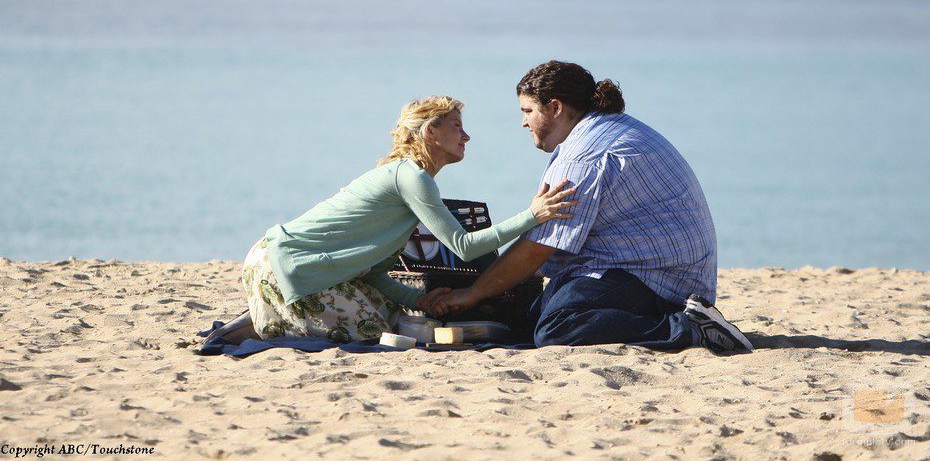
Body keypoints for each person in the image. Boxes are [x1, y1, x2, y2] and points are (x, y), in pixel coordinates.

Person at [428, 62, 753, 354]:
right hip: (648, 269)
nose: (523, 124)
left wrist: (472, 294)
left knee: (558, 327)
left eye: (527, 111)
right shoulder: (599, 132)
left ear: (554, 107)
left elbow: (538, 247)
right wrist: (491, 286)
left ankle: (690, 329)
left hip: (660, 282)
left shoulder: (584, 155)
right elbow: (549, 247)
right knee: (525, 320)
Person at [213, 95, 577, 344]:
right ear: (430, 132)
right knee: (378, 331)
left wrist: (415, 301)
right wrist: (532, 215)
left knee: (392, 311)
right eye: (456, 126)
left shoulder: (408, 176)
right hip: (286, 265)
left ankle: (260, 320)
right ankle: (264, 324)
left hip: (277, 258)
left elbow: (371, 271)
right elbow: (464, 247)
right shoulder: (413, 177)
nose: (466, 136)